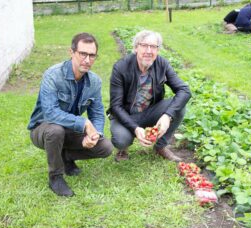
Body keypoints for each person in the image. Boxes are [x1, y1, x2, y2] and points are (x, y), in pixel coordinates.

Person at [28, 33, 113, 197]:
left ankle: (64, 156)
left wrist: (95, 134)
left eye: (92, 55)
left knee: (105, 147)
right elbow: (51, 113)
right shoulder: (53, 75)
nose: (87, 60)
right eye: (83, 54)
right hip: (43, 128)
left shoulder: (94, 81)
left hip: (69, 129)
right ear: (72, 52)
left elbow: (97, 113)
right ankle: (56, 177)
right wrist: (84, 123)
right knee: (55, 131)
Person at [107, 30, 191, 163]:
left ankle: (160, 147)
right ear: (135, 48)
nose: (149, 51)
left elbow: (184, 90)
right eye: (144, 45)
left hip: (149, 112)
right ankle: (123, 149)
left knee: (178, 107)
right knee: (121, 140)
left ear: (157, 50)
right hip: (126, 115)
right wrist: (135, 128)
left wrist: (167, 116)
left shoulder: (162, 64)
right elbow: (115, 106)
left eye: (153, 47)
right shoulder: (121, 67)